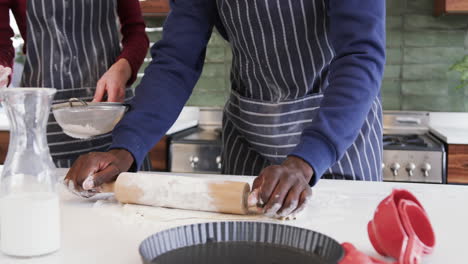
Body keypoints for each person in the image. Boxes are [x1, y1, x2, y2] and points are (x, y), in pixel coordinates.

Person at [66, 0, 386, 218]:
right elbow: (178, 59)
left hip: (339, 136)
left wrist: (305, 162)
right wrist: (125, 147)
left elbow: (361, 54)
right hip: (250, 134)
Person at [0, 0, 151, 170]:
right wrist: (2, 70)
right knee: (52, 192)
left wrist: (123, 69)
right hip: (45, 120)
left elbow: (135, 32)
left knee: (124, 194)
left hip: (113, 110)